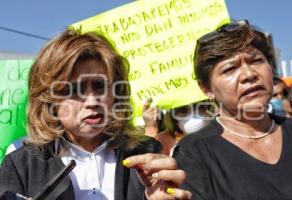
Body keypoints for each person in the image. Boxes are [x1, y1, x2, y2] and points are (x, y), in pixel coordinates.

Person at [0, 30, 192, 200]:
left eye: (100, 86)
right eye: (75, 89)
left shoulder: (145, 153)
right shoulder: (22, 164)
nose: (92, 102)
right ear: (49, 100)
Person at [173, 20, 292, 199]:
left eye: (256, 61)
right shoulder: (194, 152)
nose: (249, 75)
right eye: (229, 69)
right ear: (206, 89)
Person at [143, 99, 211, 155]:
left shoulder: (220, 130)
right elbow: (149, 162)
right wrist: (151, 127)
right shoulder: (164, 140)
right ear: (173, 117)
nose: (193, 115)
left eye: (199, 107)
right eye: (183, 110)